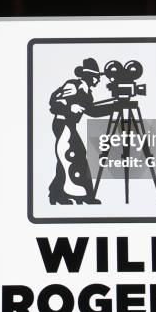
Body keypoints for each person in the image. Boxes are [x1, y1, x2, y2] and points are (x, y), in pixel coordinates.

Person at [48, 58, 110, 205]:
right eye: (96, 77)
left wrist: (115, 107)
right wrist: (70, 108)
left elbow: (92, 111)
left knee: (68, 157)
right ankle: (80, 195)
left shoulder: (88, 93)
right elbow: (54, 103)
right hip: (63, 123)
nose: (98, 80)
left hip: (70, 125)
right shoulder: (74, 86)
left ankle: (57, 193)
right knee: (71, 156)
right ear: (89, 76)